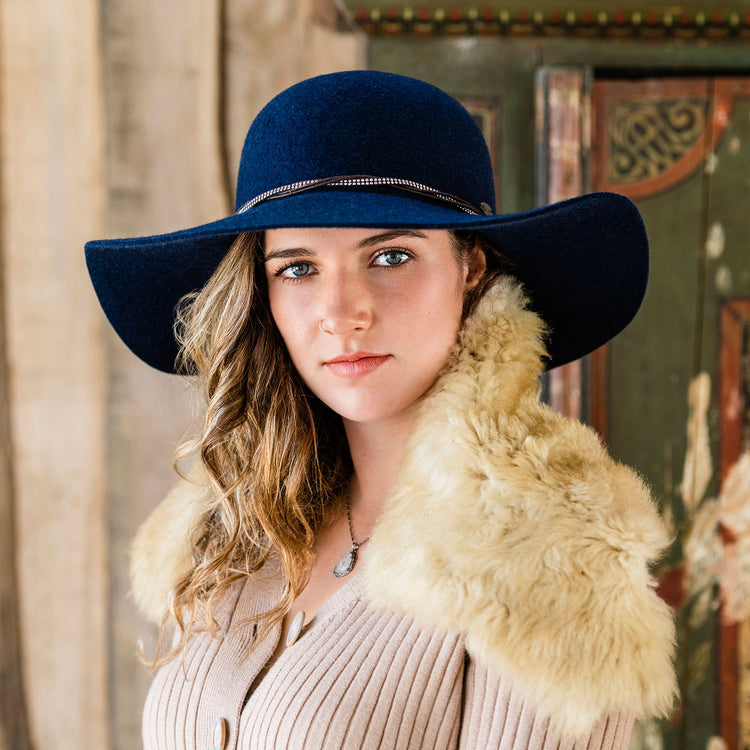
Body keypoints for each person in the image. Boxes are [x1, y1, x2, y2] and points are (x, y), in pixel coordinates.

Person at [85, 70, 676, 750]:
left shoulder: (548, 551)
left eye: (390, 256)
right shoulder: (236, 524)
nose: (342, 315)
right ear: (263, 293)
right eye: (298, 268)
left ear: (472, 268)